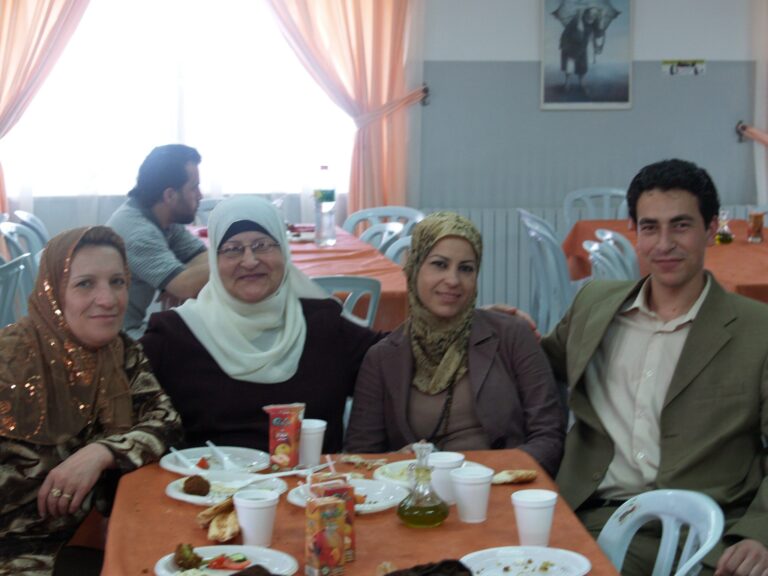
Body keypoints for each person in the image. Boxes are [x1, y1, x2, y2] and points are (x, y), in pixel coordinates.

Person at [541, 159, 768, 576]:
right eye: (650, 227)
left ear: (711, 228)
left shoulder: (758, 330)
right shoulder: (594, 305)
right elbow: (541, 364)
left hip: (706, 536)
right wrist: (500, 329)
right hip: (594, 517)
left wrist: (759, 534)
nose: (664, 244)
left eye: (680, 226)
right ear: (635, 231)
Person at [0, 226, 181, 574]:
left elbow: (166, 422)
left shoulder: (121, 352)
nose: (108, 300)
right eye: (85, 284)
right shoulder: (10, 362)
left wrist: (101, 453)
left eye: (117, 282)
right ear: (54, 292)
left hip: (87, 540)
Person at [139, 196, 382, 454]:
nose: (249, 261)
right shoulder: (175, 334)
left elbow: (394, 358)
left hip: (312, 480)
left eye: (262, 245)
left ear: (284, 252)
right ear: (214, 261)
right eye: (232, 249)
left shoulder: (325, 326)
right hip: (206, 478)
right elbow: (125, 388)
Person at [345, 212, 565, 477]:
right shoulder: (382, 358)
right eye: (439, 264)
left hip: (502, 487)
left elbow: (549, 436)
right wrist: (395, 463)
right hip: (418, 494)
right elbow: (360, 457)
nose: (453, 280)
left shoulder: (512, 335)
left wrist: (490, 477)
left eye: (466, 269)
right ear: (414, 268)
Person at [106, 144, 209, 338]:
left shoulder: (163, 217)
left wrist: (180, 279)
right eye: (194, 187)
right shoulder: (138, 232)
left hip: (128, 327)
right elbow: (185, 286)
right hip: (116, 337)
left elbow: (200, 256)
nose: (200, 195)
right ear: (170, 195)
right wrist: (231, 259)